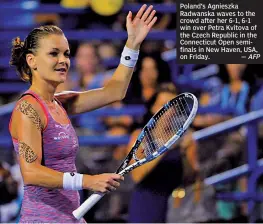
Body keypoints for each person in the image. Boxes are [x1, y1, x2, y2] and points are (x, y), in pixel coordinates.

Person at [8, 4, 157, 223]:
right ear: (32, 61)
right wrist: (87, 181)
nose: (63, 60)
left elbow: (115, 91)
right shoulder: (28, 109)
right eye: (53, 53)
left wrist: (132, 45)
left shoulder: (61, 103)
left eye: (66, 54)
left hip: (70, 217)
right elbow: (31, 173)